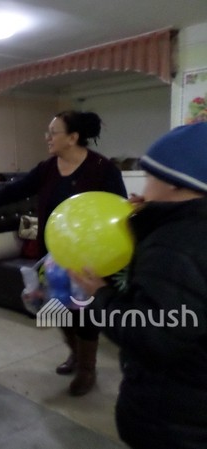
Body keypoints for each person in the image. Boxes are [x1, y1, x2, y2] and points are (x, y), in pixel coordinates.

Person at [0, 110, 127, 396]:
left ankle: (87, 369)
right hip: (52, 253)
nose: (47, 137)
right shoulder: (47, 168)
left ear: (73, 137)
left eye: (53, 132)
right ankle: (75, 353)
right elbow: (14, 191)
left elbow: (118, 209)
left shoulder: (102, 168)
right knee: (58, 308)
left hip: (88, 256)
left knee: (84, 314)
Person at [71, 122, 207, 449]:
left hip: (175, 417)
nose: (143, 188)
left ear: (174, 183)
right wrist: (149, 220)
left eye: (149, 177)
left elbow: (153, 334)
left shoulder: (175, 245)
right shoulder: (188, 231)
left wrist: (100, 294)